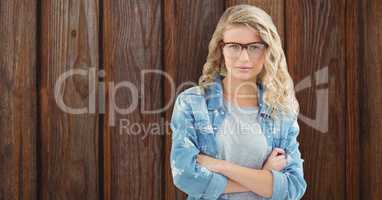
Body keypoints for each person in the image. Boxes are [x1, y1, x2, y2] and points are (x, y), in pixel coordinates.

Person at [170, 4, 307, 200]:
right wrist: (264, 176)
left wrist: (221, 166)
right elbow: (186, 177)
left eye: (254, 47)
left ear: (268, 50)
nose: (244, 57)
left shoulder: (280, 110)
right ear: (221, 49)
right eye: (234, 46)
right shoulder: (192, 103)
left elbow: (293, 187)